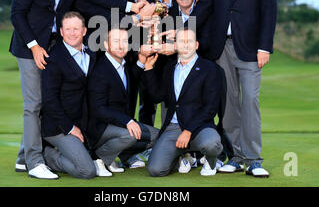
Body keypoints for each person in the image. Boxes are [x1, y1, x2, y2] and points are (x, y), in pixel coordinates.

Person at [9, 0, 144, 180]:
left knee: (56, 96)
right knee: (35, 103)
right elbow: (17, 14)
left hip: (55, 44)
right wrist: (34, 46)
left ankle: (23, 157)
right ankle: (34, 160)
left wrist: (130, 6)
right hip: (30, 46)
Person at [204, 0, 277, 178]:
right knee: (229, 105)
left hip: (251, 48)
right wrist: (185, 29)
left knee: (250, 102)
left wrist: (265, 46)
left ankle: (254, 159)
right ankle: (234, 157)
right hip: (220, 47)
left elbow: (270, 12)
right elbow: (207, 5)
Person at [140, 28, 223, 177]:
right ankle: (183, 155)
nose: (186, 45)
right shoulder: (169, 67)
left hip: (199, 127)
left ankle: (211, 162)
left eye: (189, 41)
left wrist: (188, 130)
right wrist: (149, 69)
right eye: (182, 42)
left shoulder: (210, 69)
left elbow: (210, 108)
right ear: (176, 45)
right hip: (173, 127)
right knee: (155, 169)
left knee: (212, 145)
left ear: (196, 45)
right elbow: (157, 96)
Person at [86, 27, 159, 176]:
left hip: (119, 124)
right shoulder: (99, 69)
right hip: (99, 128)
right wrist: (127, 121)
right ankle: (98, 156)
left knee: (159, 136)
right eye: (116, 41)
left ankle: (113, 155)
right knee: (131, 135)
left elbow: (129, 82)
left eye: (124, 41)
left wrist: (142, 61)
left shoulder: (123, 65)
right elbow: (98, 108)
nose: (120, 45)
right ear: (106, 45)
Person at [41, 12, 96, 179]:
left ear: (84, 31)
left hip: (84, 124)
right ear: (61, 32)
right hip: (59, 127)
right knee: (87, 171)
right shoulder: (54, 59)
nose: (72, 33)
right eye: (68, 29)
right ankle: (48, 156)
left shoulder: (92, 54)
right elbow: (50, 101)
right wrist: (71, 128)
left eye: (76, 29)